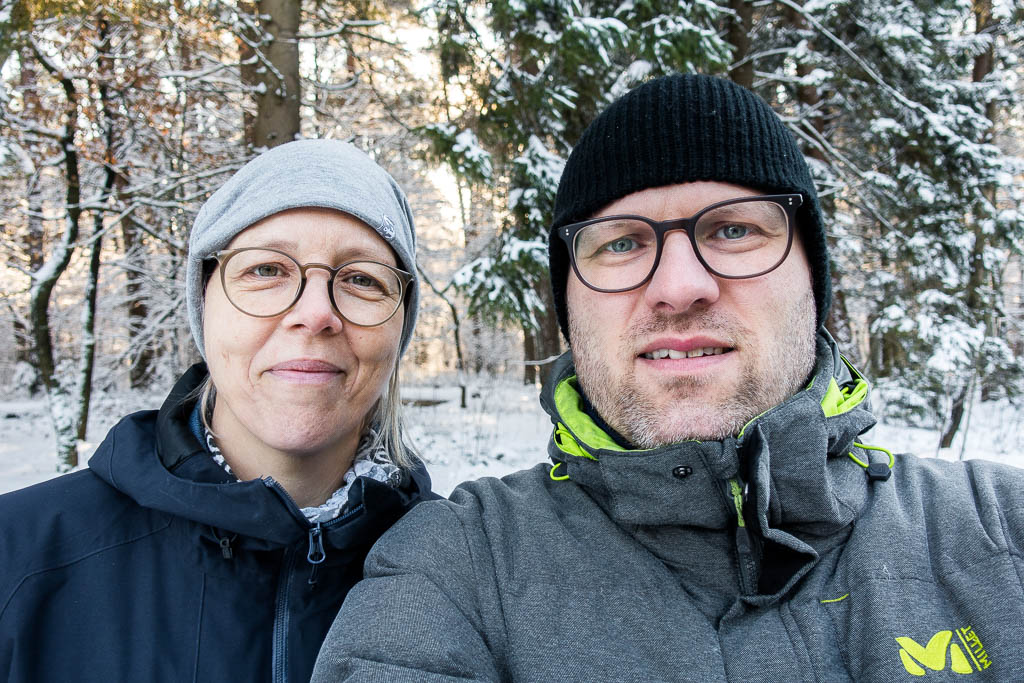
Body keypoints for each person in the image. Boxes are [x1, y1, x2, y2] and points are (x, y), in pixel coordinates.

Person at [311, 74, 1024, 681]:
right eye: (622, 242)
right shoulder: (459, 569)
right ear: (569, 307)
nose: (680, 287)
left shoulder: (1001, 534)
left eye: (735, 230)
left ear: (814, 277)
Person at [0, 139, 434, 682]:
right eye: (266, 270)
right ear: (204, 304)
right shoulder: (16, 556)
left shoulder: (463, 569)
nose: (316, 313)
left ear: (400, 328)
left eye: (361, 279)